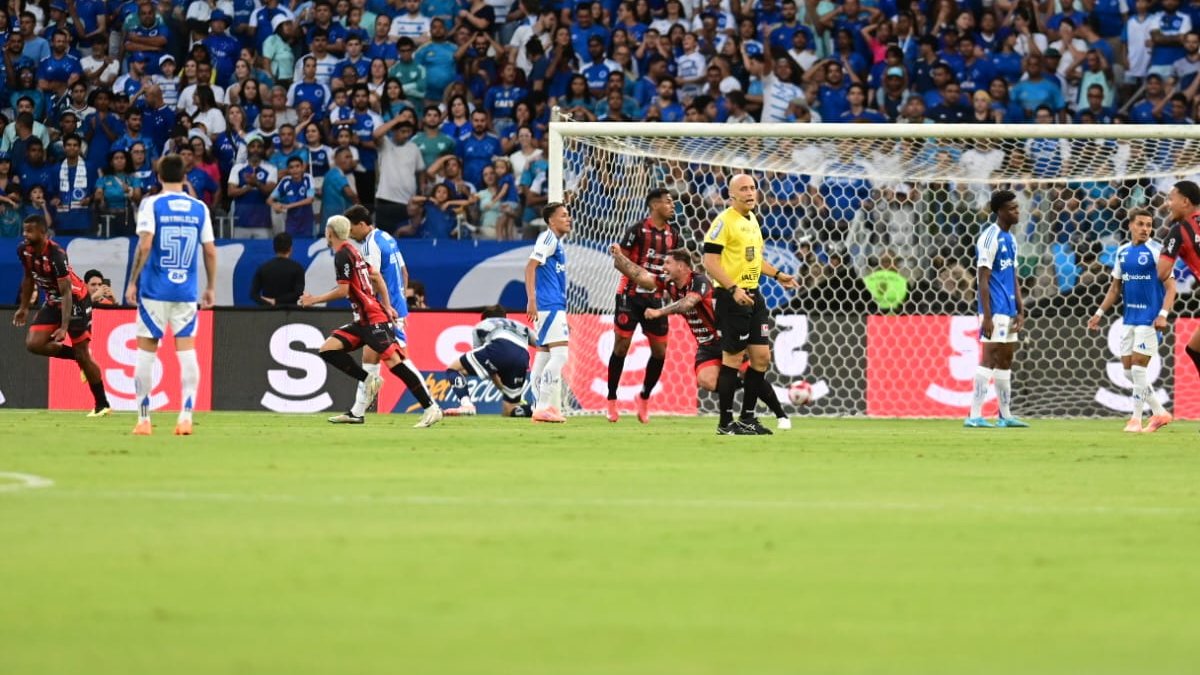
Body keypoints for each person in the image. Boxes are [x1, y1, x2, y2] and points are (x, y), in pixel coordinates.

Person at [611, 245, 791, 428]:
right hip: (706, 345)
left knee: (748, 373)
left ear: (681, 266)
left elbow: (688, 303)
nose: (663, 266)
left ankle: (781, 415)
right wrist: (619, 258)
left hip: (725, 336)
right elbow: (643, 277)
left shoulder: (700, 281)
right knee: (706, 380)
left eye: (667, 263)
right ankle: (749, 389)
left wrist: (659, 312)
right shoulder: (670, 283)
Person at [299, 215, 442, 429]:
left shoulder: (342, 255)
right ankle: (363, 396)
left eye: (327, 231)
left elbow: (344, 290)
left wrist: (314, 300)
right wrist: (387, 304)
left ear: (330, 233)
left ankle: (431, 408)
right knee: (328, 349)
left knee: (396, 363)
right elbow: (376, 277)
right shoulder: (355, 250)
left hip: (372, 319)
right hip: (364, 320)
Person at [124, 154, 217, 436]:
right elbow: (210, 251)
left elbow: (145, 244)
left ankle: (143, 420)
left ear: (160, 177)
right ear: (184, 177)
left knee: (146, 351)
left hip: (154, 290)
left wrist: (132, 281)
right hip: (186, 292)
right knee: (187, 351)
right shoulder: (200, 208)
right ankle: (186, 415)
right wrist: (210, 287)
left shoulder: (152, 204)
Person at [702, 174, 799, 435]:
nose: (750, 192)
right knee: (732, 360)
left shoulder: (753, 219)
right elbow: (709, 262)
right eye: (743, 189)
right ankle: (725, 423)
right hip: (731, 297)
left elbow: (755, 259)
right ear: (731, 195)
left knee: (761, 358)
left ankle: (747, 417)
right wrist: (733, 289)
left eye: (753, 188)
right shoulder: (724, 222)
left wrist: (778, 275)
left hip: (754, 295)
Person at [328, 205, 424, 424]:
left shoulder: (370, 245)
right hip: (391, 309)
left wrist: (386, 309)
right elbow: (404, 272)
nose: (349, 234)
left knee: (401, 361)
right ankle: (357, 412)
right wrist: (400, 304)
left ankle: (431, 405)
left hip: (384, 313)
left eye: (351, 229)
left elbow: (373, 278)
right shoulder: (387, 237)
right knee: (369, 360)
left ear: (362, 224)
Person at [13, 214, 111, 417]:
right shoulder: (24, 250)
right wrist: (23, 307)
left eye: (30, 231)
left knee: (82, 353)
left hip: (75, 299)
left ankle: (102, 404)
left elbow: (67, 292)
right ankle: (80, 357)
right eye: (24, 230)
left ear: (42, 232)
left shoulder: (56, 255)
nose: (25, 234)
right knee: (34, 343)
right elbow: (28, 278)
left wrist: (64, 327)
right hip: (53, 300)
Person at [1088, 208, 1176, 433]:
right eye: (1141, 224)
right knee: (1128, 371)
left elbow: (1171, 287)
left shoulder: (1158, 251)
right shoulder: (1122, 252)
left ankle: (1135, 420)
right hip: (1129, 319)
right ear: (1130, 225)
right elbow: (1115, 288)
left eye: (1149, 225)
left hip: (1149, 319)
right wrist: (1099, 313)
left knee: (1138, 369)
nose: (1145, 229)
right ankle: (1159, 413)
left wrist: (1163, 315)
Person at [605, 187, 678, 423]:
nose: (672, 206)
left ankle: (644, 398)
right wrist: (642, 278)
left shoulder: (673, 234)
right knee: (621, 347)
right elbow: (619, 261)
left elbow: (674, 266)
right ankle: (611, 400)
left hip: (655, 300)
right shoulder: (637, 230)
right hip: (629, 296)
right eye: (668, 202)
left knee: (660, 351)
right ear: (655, 205)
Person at [965, 190, 1029, 429]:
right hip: (994, 309)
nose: (1017, 212)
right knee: (989, 358)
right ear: (1000, 211)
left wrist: (1020, 309)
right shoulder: (989, 238)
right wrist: (987, 316)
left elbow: (1013, 276)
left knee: (1005, 360)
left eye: (1017, 207)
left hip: (1009, 308)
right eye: (1013, 208)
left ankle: (1005, 415)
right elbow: (982, 279)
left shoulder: (1011, 240)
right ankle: (974, 414)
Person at [1158, 180, 1200, 432]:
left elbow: (1162, 271)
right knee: (1195, 349)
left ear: (1185, 201)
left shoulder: (1180, 229)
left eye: (1172, 197)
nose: (1168, 203)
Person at [444, 305, 537, 417]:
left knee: (454, 369)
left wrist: (501, 387)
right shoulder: (521, 326)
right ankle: (537, 409)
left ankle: (466, 405)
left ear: (484, 318)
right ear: (505, 317)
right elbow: (541, 344)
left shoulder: (482, 325)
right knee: (509, 410)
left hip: (500, 347)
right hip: (522, 357)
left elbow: (489, 368)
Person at [524, 202, 571, 424]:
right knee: (560, 356)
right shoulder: (548, 238)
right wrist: (531, 299)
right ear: (552, 221)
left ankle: (538, 407)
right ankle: (542, 407)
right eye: (563, 216)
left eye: (568, 215)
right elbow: (530, 266)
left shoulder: (555, 242)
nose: (568, 219)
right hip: (548, 305)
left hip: (552, 306)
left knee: (543, 358)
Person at [250, 232, 305, 306]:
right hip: (289, 312)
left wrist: (269, 302)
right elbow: (299, 293)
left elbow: (253, 294)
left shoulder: (263, 268)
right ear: (290, 248)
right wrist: (276, 301)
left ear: (274, 248)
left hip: (267, 313)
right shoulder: (297, 268)